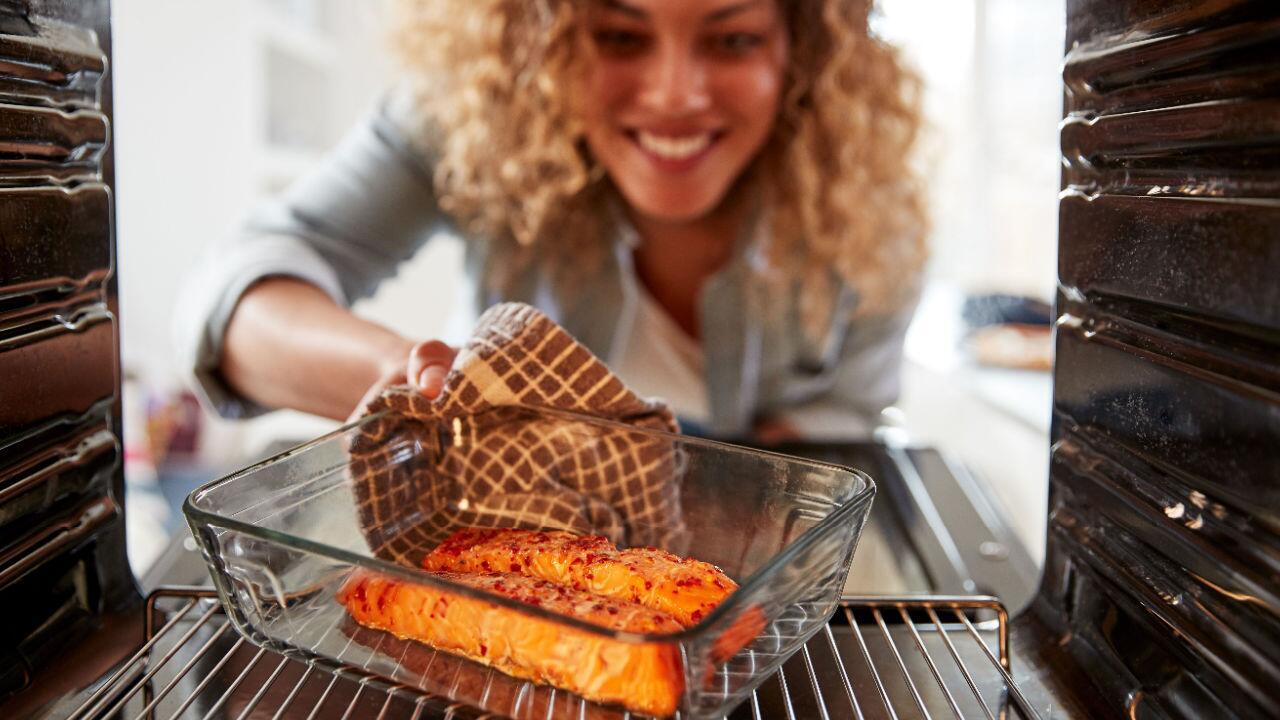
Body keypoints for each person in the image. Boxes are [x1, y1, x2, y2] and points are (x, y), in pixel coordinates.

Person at [176, 0, 926, 440]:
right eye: (620, 36)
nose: (674, 95)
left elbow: (842, 430)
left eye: (733, 39)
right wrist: (405, 379)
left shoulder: (866, 206)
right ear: (543, 40)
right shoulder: (470, 118)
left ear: (801, 49)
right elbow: (232, 296)